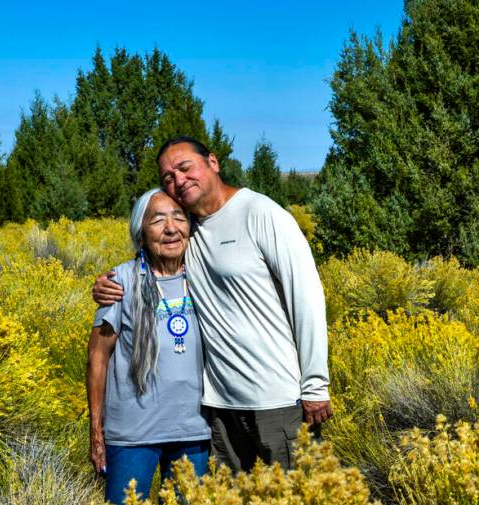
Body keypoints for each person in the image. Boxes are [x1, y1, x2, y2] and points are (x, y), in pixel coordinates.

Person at [94, 136, 332, 473]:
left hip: (277, 401)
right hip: (220, 410)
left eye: (185, 167)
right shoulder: (189, 229)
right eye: (167, 178)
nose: (178, 180)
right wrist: (110, 282)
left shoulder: (260, 213)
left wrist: (315, 386)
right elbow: (154, 256)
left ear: (213, 163)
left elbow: (306, 297)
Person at [86, 187, 210, 505]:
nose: (171, 228)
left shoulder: (207, 277)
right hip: (132, 435)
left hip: (195, 430)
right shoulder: (120, 282)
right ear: (140, 234)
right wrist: (96, 432)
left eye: (179, 217)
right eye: (158, 220)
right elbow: (97, 358)